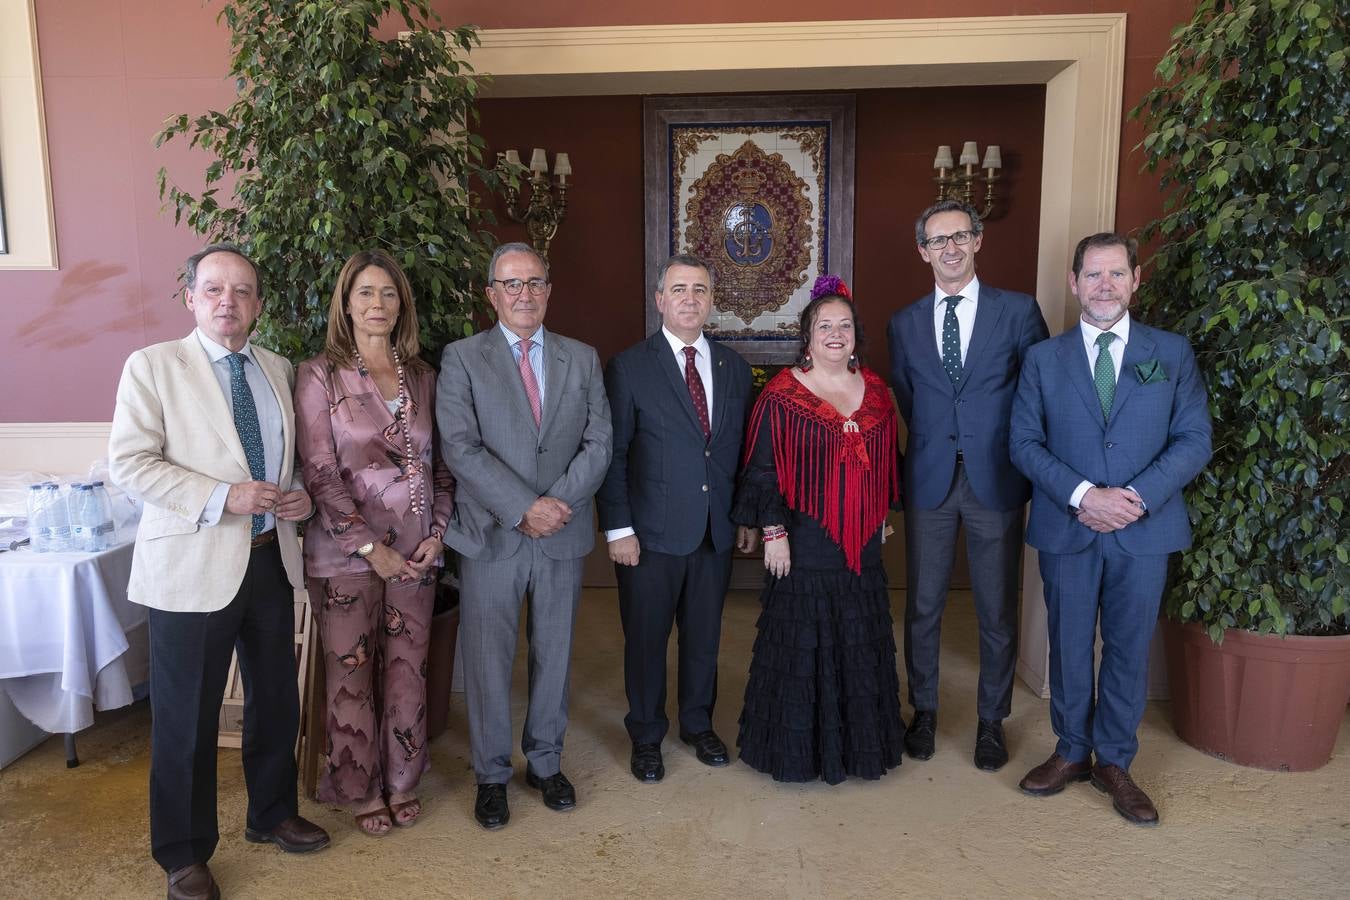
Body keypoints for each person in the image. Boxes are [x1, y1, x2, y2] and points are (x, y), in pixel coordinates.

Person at [108, 244, 329, 900]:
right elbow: (132, 463)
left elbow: (286, 462)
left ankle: (271, 814)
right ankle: (182, 852)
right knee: (186, 717)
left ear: (259, 303)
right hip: (190, 565)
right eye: (213, 290)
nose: (227, 301)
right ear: (190, 298)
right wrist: (221, 497)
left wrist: (300, 497)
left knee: (275, 700)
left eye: (242, 291)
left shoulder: (278, 367)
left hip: (268, 559)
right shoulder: (153, 367)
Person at [1010, 232, 1211, 825]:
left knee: (1127, 646)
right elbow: (1023, 441)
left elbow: (1194, 438)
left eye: (1116, 274)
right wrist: (1082, 495)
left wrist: (1135, 497)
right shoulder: (1044, 359)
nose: (1105, 286)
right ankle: (1071, 751)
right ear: (1074, 283)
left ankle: (1115, 762)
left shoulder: (1170, 353)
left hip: (1142, 528)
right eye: (1093, 275)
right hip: (1068, 524)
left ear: (1135, 279)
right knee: (1069, 644)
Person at [436, 242, 612, 829]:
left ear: (549, 290)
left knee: (554, 654)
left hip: (561, 532)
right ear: (491, 293)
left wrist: (556, 504)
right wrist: (522, 507)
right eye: (511, 284)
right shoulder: (462, 358)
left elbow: (599, 442)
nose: (524, 294)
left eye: (534, 283)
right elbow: (460, 447)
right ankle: (491, 774)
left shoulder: (581, 358)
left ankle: (544, 761)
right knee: (487, 658)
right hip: (493, 533)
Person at [294, 250, 455, 836]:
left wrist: (438, 535)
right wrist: (368, 547)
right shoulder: (318, 375)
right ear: (345, 301)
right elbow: (318, 471)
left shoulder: (424, 376)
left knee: (409, 670)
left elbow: (442, 468)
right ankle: (358, 787)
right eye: (365, 292)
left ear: (402, 305)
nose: (377, 304)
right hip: (345, 557)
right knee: (351, 674)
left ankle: (403, 781)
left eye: (389, 293)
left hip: (416, 556)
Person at [886, 199, 1050, 771]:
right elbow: (910, 399)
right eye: (938, 240)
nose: (949, 248)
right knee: (923, 605)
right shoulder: (904, 323)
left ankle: (990, 722)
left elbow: (1037, 394)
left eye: (960, 237)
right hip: (929, 479)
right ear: (922, 252)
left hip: (995, 480)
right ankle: (924, 711)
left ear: (978, 241)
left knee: (997, 609)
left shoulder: (1020, 312)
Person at [733, 275, 905, 784]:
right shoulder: (782, 394)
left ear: (856, 334)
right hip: (804, 544)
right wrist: (773, 532)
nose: (835, 334)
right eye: (824, 326)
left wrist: (879, 517)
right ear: (807, 336)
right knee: (801, 646)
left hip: (860, 547)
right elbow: (762, 469)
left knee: (859, 643)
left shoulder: (875, 391)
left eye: (844, 325)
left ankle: (856, 749)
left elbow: (886, 466)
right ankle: (800, 753)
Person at [597, 254, 756, 784]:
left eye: (701, 289)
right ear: (660, 300)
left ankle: (696, 723)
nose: (690, 298)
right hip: (648, 536)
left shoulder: (734, 367)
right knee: (645, 639)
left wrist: (745, 517)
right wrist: (618, 529)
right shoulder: (629, 366)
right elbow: (614, 454)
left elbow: (737, 452)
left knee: (705, 637)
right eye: (679, 289)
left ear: (712, 300)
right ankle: (646, 734)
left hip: (714, 529)